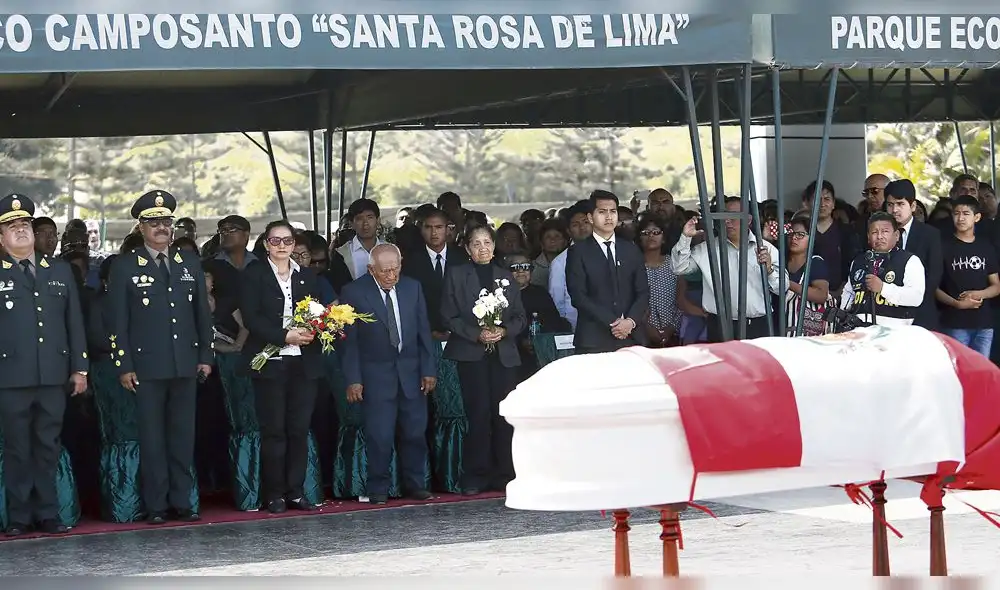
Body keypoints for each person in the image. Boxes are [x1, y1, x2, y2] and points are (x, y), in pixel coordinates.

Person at [108, 190, 214, 524]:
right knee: (153, 439)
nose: (161, 228)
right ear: (141, 227)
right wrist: (123, 364)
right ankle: (156, 505)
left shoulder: (189, 263)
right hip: (147, 367)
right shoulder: (125, 266)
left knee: (182, 437)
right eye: (153, 223)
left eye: (166, 222)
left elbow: (202, 318)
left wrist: (205, 356)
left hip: (184, 364)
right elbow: (117, 322)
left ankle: (183, 501)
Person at [0, 194, 88, 536]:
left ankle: (48, 513)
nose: (20, 230)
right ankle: (20, 517)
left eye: (25, 224)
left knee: (48, 446)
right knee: (18, 448)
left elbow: (74, 323)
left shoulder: (60, 271)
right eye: (12, 226)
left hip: (53, 375)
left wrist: (79, 368)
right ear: (1, 237)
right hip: (10, 377)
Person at [340, 243, 437, 505]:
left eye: (395, 269)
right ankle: (378, 487)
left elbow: (423, 332)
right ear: (372, 269)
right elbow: (350, 343)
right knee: (379, 435)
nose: (391, 276)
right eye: (385, 271)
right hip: (376, 376)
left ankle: (416, 484)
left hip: (411, 373)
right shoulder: (354, 292)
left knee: (415, 433)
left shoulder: (412, 288)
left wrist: (429, 369)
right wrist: (354, 379)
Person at [239, 220, 324, 514]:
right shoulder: (254, 273)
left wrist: (315, 331)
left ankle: (296, 491)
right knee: (274, 430)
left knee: (299, 429)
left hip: (303, 362)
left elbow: (319, 312)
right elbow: (252, 317)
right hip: (270, 360)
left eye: (287, 241)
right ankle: (274, 493)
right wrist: (283, 336)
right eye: (275, 241)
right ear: (265, 244)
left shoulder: (306, 275)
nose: (281, 246)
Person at [440, 224, 526, 495]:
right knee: (477, 414)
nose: (483, 248)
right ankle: (475, 475)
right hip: (471, 353)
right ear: (467, 248)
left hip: (503, 355)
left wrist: (503, 331)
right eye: (476, 243)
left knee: (503, 415)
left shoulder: (506, 277)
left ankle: (506, 473)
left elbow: (520, 317)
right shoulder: (456, 275)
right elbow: (447, 314)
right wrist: (476, 334)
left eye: (487, 242)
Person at [566, 190, 650, 353]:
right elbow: (578, 297)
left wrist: (630, 322)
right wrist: (614, 323)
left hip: (632, 336)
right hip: (594, 339)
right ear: (590, 217)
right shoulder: (578, 252)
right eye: (602, 212)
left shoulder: (631, 249)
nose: (609, 217)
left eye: (613, 211)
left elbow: (643, 292)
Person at [935, 195, 1000, 357]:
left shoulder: (985, 246)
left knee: (981, 372)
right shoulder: (943, 246)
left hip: (984, 323)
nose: (960, 218)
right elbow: (933, 287)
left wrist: (979, 294)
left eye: (966, 213)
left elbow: (996, 286)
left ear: (977, 217)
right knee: (959, 372)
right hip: (955, 323)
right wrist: (956, 304)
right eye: (956, 213)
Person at [840, 212, 925, 327]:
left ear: (896, 235)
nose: (879, 236)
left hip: (893, 333)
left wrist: (883, 288)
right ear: (868, 237)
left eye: (885, 231)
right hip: (859, 331)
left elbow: (916, 297)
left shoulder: (910, 260)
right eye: (874, 232)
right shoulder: (859, 261)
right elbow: (849, 292)